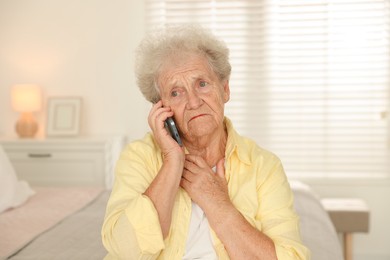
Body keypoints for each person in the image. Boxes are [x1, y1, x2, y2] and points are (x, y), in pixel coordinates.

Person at [101, 25, 309, 260]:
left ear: (225, 89)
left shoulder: (264, 166)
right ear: (161, 108)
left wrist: (217, 203)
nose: (193, 102)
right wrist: (172, 163)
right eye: (176, 92)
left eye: (202, 84)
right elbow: (124, 250)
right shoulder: (139, 157)